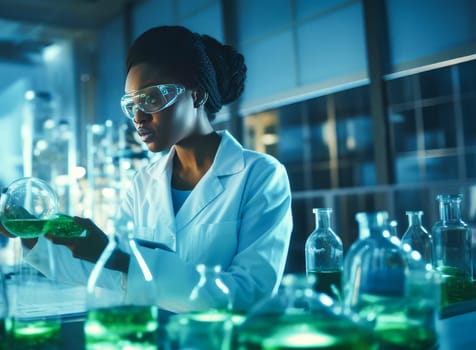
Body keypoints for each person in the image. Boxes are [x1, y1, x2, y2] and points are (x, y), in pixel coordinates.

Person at [1, 25, 293, 313]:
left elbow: (250, 293)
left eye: (151, 99)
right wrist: (29, 233)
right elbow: (114, 275)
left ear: (197, 95)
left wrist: (116, 257)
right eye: (132, 104)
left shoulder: (260, 175)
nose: (138, 117)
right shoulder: (144, 182)